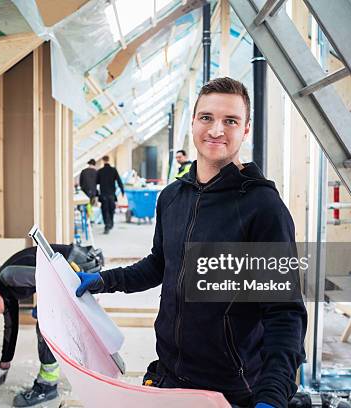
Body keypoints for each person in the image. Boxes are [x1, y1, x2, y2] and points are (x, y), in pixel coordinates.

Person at [75, 77, 307, 407]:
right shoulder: (171, 197)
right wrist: (103, 280)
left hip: (232, 388)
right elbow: (159, 264)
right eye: (207, 118)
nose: (216, 130)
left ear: (246, 129)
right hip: (169, 375)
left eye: (230, 121)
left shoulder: (262, 207)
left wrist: (273, 394)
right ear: (194, 122)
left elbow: (284, 314)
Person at [0, 244, 103, 407]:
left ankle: (47, 386)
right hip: (75, 267)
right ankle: (89, 371)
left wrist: (45, 304)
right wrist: (4, 363)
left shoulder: (10, 276)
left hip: (81, 266)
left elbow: (54, 278)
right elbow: (11, 327)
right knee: (52, 320)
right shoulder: (4, 289)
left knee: (46, 326)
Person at [96, 155, 124, 234]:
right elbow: (119, 181)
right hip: (111, 194)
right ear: (109, 160)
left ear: (103, 161)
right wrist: (122, 191)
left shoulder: (100, 171)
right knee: (111, 209)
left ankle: (107, 225)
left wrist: (96, 194)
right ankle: (111, 223)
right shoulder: (113, 170)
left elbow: (96, 182)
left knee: (105, 210)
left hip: (104, 194)